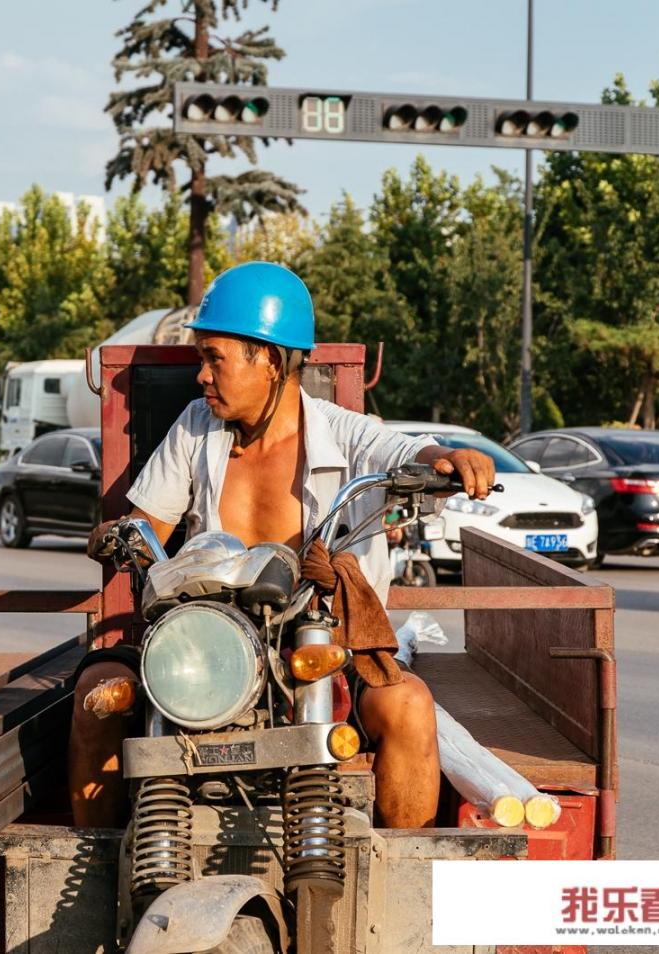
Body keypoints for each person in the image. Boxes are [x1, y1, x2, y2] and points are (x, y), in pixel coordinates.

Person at [68, 261, 496, 830]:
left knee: (408, 705)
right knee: (98, 694)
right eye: (202, 359)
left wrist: (446, 459)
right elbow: (144, 522)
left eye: (213, 358)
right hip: (205, 645)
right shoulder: (196, 428)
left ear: (267, 359)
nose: (201, 376)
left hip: (317, 644)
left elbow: (403, 449)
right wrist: (119, 535)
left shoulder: (341, 430)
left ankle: (398, 874)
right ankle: (99, 870)